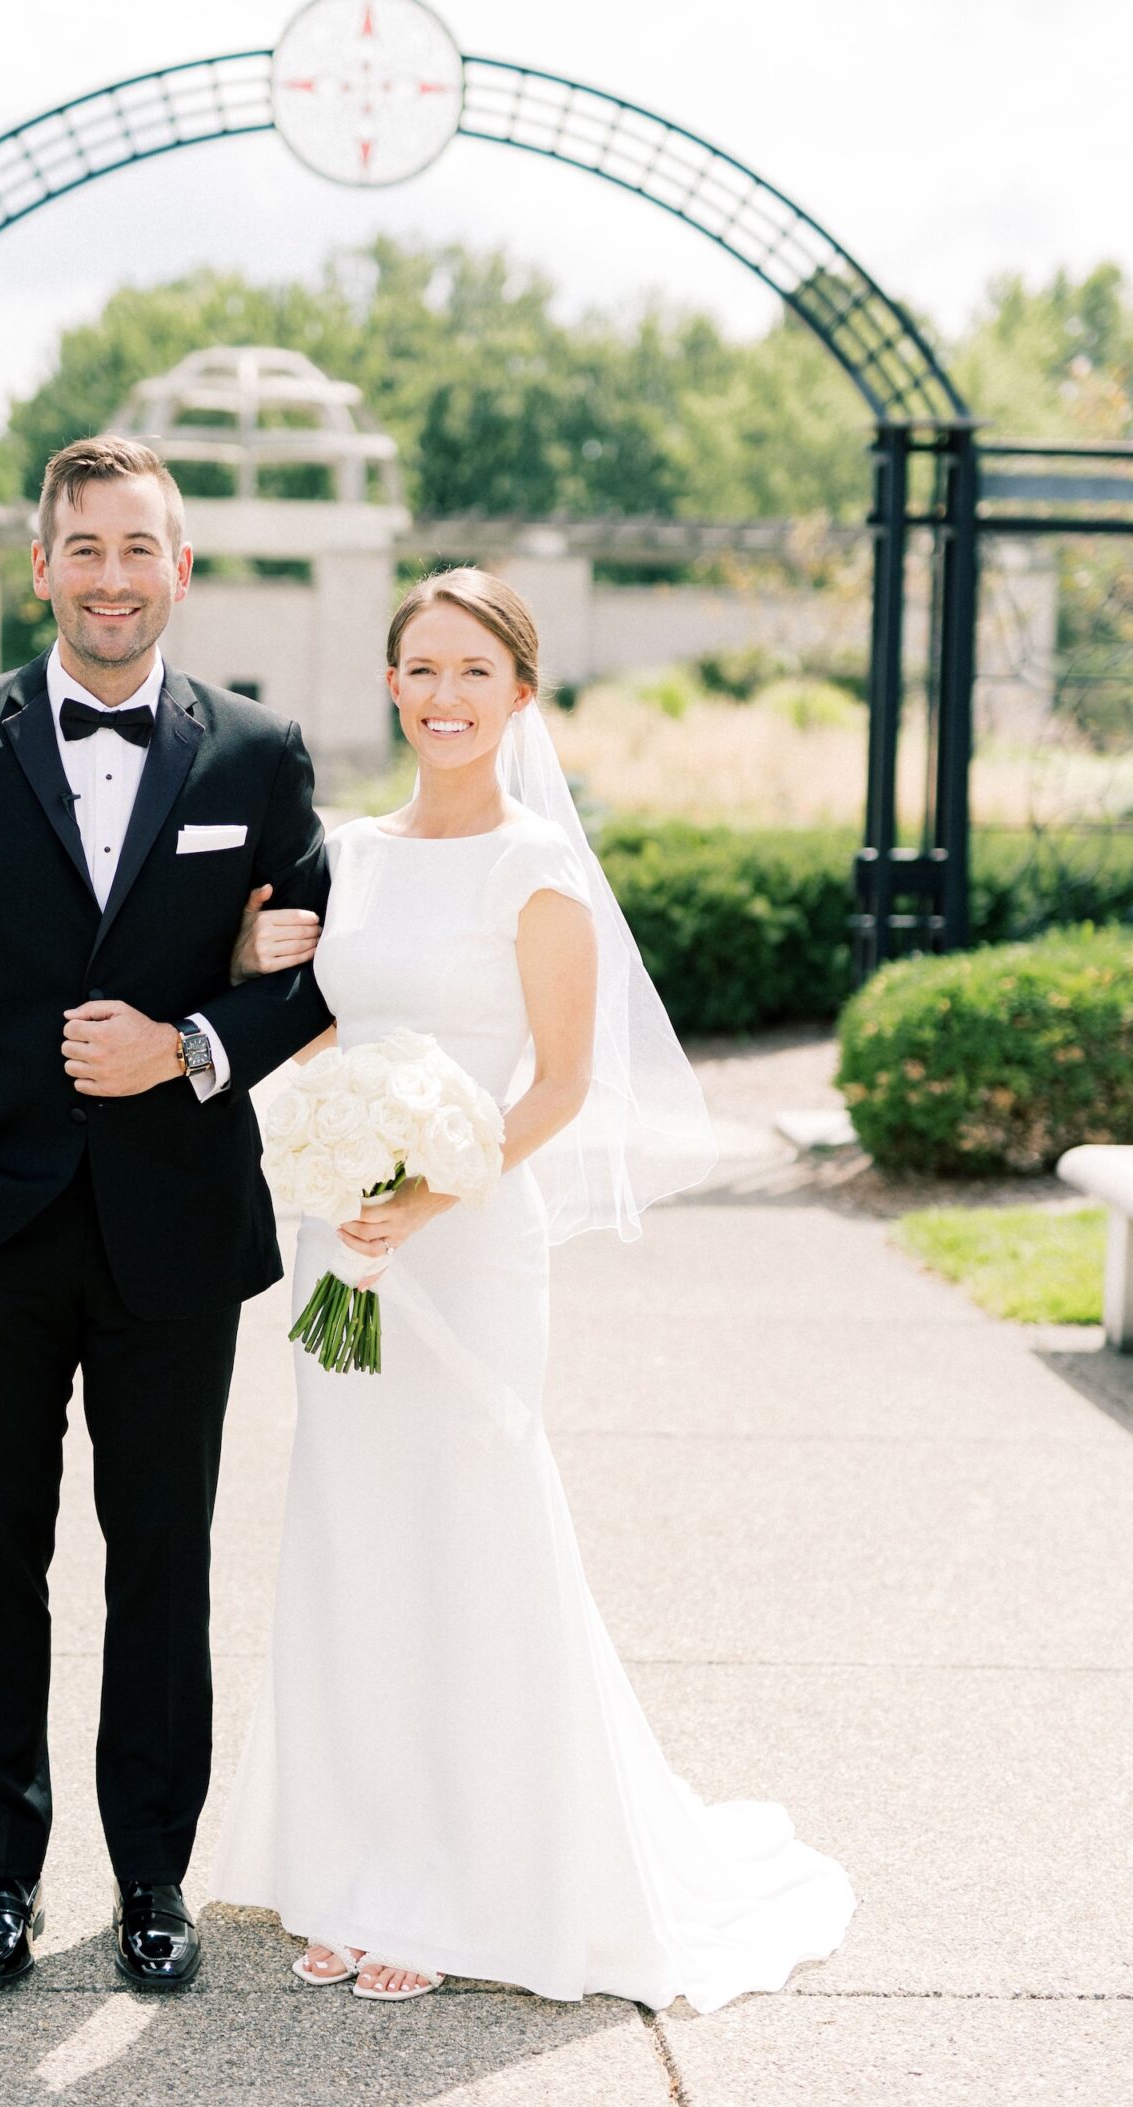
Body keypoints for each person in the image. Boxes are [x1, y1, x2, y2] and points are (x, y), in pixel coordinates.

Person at [212, 568, 857, 2007]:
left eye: (473, 670)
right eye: (421, 669)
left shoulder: (535, 868)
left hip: (467, 1240)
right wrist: (269, 996)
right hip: (346, 1238)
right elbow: (320, 1031)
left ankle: (462, 1881)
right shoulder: (346, 854)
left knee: (464, 1531)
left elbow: (560, 1083)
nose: (444, 695)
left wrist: (426, 1194)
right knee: (350, 1534)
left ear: (521, 693)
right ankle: (354, 1863)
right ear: (392, 685)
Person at [0, 436, 332, 1993]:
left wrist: (187, 1047)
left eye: (139, 549)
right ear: (41, 565)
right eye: (86, 548)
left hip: (175, 1227)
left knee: (162, 1557)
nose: (112, 578)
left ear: (180, 568)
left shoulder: (258, 754)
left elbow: (318, 971)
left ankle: (152, 1879)